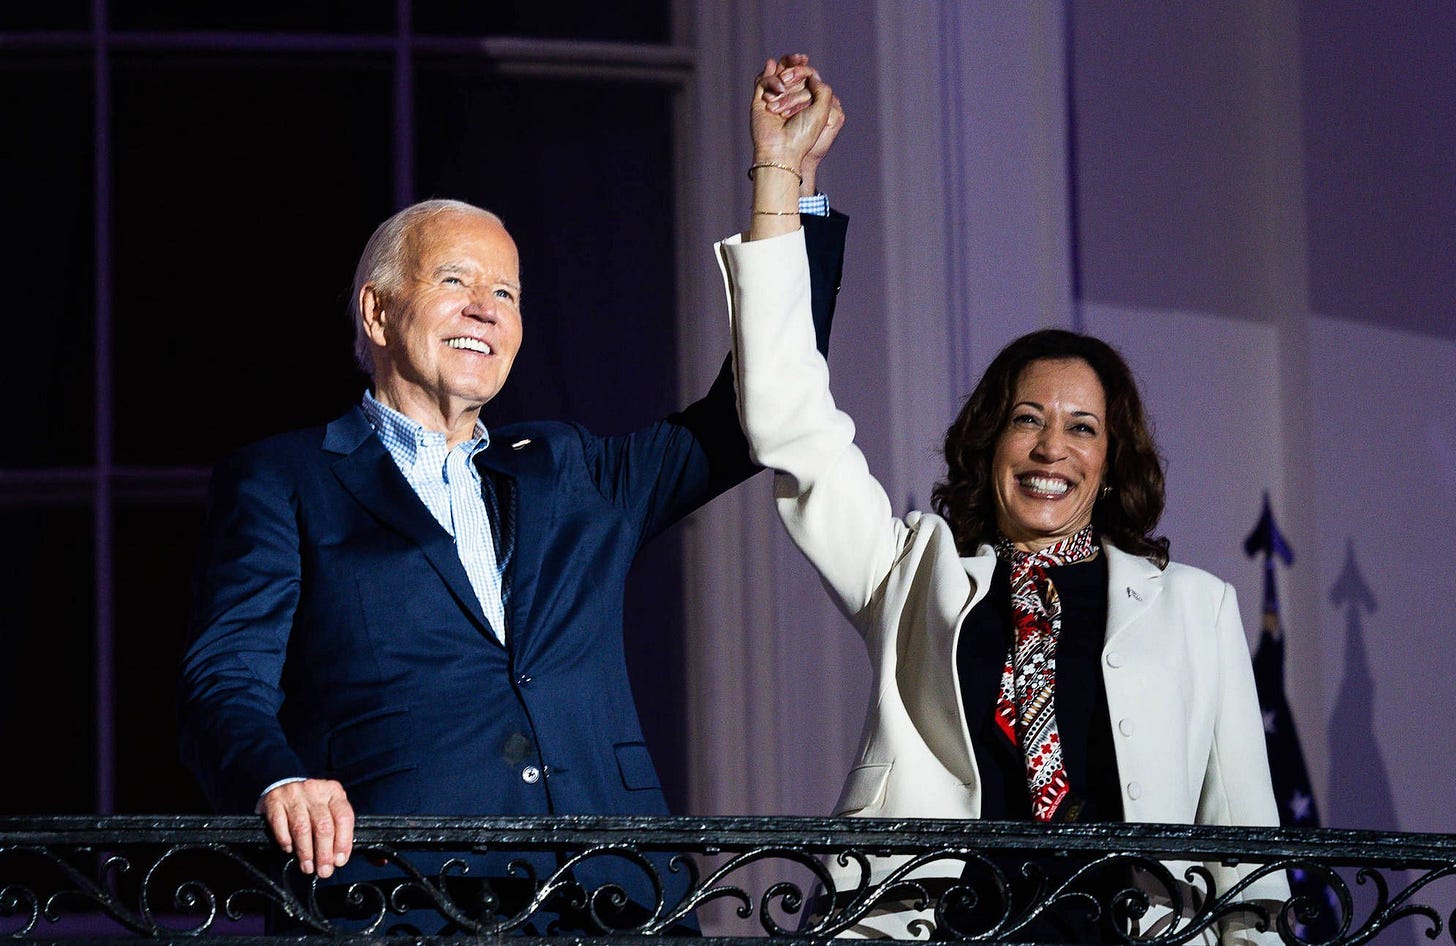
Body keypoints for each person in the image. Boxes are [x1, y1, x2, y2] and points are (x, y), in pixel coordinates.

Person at [177, 55, 846, 933]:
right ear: (378, 314)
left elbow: (755, 409)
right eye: (454, 281)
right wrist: (277, 779)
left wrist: (783, 183)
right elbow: (224, 680)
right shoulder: (287, 479)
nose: (486, 308)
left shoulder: (571, 470)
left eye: (507, 293)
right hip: (398, 902)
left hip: (611, 898)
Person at [717, 72, 1289, 944]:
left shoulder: (1196, 607)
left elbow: (1246, 862)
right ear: (991, 443)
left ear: (1112, 457)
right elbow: (789, 423)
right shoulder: (912, 574)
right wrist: (777, 179)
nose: (1051, 448)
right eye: (1028, 420)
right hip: (944, 929)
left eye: (1081, 428)